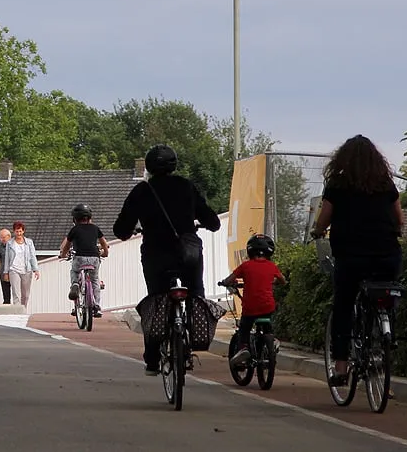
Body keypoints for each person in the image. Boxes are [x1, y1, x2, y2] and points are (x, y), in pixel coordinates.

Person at [114, 145, 221, 376]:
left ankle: (152, 359)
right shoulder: (186, 187)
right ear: (174, 165)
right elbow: (213, 222)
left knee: (157, 300)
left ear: (150, 167)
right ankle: (192, 338)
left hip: (156, 255)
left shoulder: (142, 191)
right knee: (195, 293)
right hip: (188, 254)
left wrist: (132, 230)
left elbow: (121, 229)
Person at [310, 134, 404, 388]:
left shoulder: (337, 185)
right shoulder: (385, 184)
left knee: (343, 306)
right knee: (386, 294)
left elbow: (324, 219)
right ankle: (385, 336)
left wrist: (318, 232)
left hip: (351, 258)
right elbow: (399, 219)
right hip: (387, 256)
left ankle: (341, 368)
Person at [222, 233, 286, 366]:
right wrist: (274, 281)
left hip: (250, 307)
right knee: (267, 323)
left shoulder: (245, 266)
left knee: (244, 329)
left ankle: (243, 349)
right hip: (267, 306)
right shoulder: (272, 266)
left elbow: (230, 279)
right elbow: (283, 280)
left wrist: (224, 282)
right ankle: (272, 340)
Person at [59, 204, 109, 318]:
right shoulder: (95, 228)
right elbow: (104, 243)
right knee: (95, 280)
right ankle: (96, 306)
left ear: (75, 219)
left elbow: (66, 246)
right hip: (94, 258)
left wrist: (63, 255)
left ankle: (75, 284)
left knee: (74, 272)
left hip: (79, 258)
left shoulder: (74, 229)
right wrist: (105, 252)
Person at [4, 221, 40, 309]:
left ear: (23, 231)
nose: (19, 233)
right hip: (14, 269)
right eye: (17, 231)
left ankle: (23, 310)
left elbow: (32, 256)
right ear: (14, 232)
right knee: (16, 293)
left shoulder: (29, 243)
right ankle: (17, 311)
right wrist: (6, 272)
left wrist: (36, 269)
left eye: (20, 231)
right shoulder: (10, 243)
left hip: (26, 270)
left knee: (25, 294)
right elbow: (7, 258)